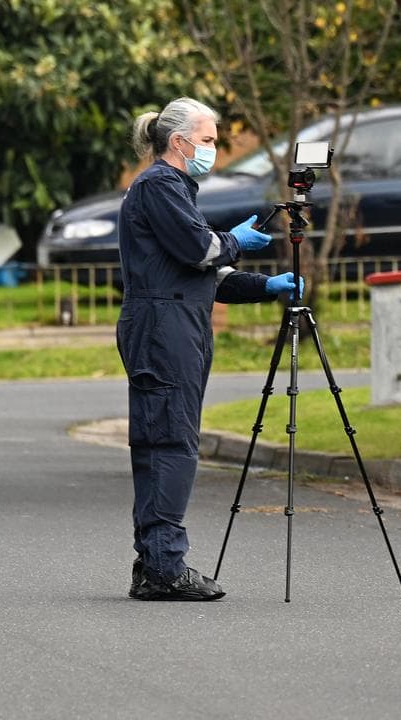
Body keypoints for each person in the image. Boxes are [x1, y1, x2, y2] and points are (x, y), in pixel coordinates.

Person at [119, 97, 302, 601]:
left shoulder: (173, 188)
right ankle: (165, 567)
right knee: (171, 442)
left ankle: (154, 563)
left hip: (174, 323)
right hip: (164, 328)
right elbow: (202, 250)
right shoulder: (159, 185)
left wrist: (265, 287)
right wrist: (237, 239)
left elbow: (202, 273)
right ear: (178, 142)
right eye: (207, 140)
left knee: (163, 440)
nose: (214, 149)